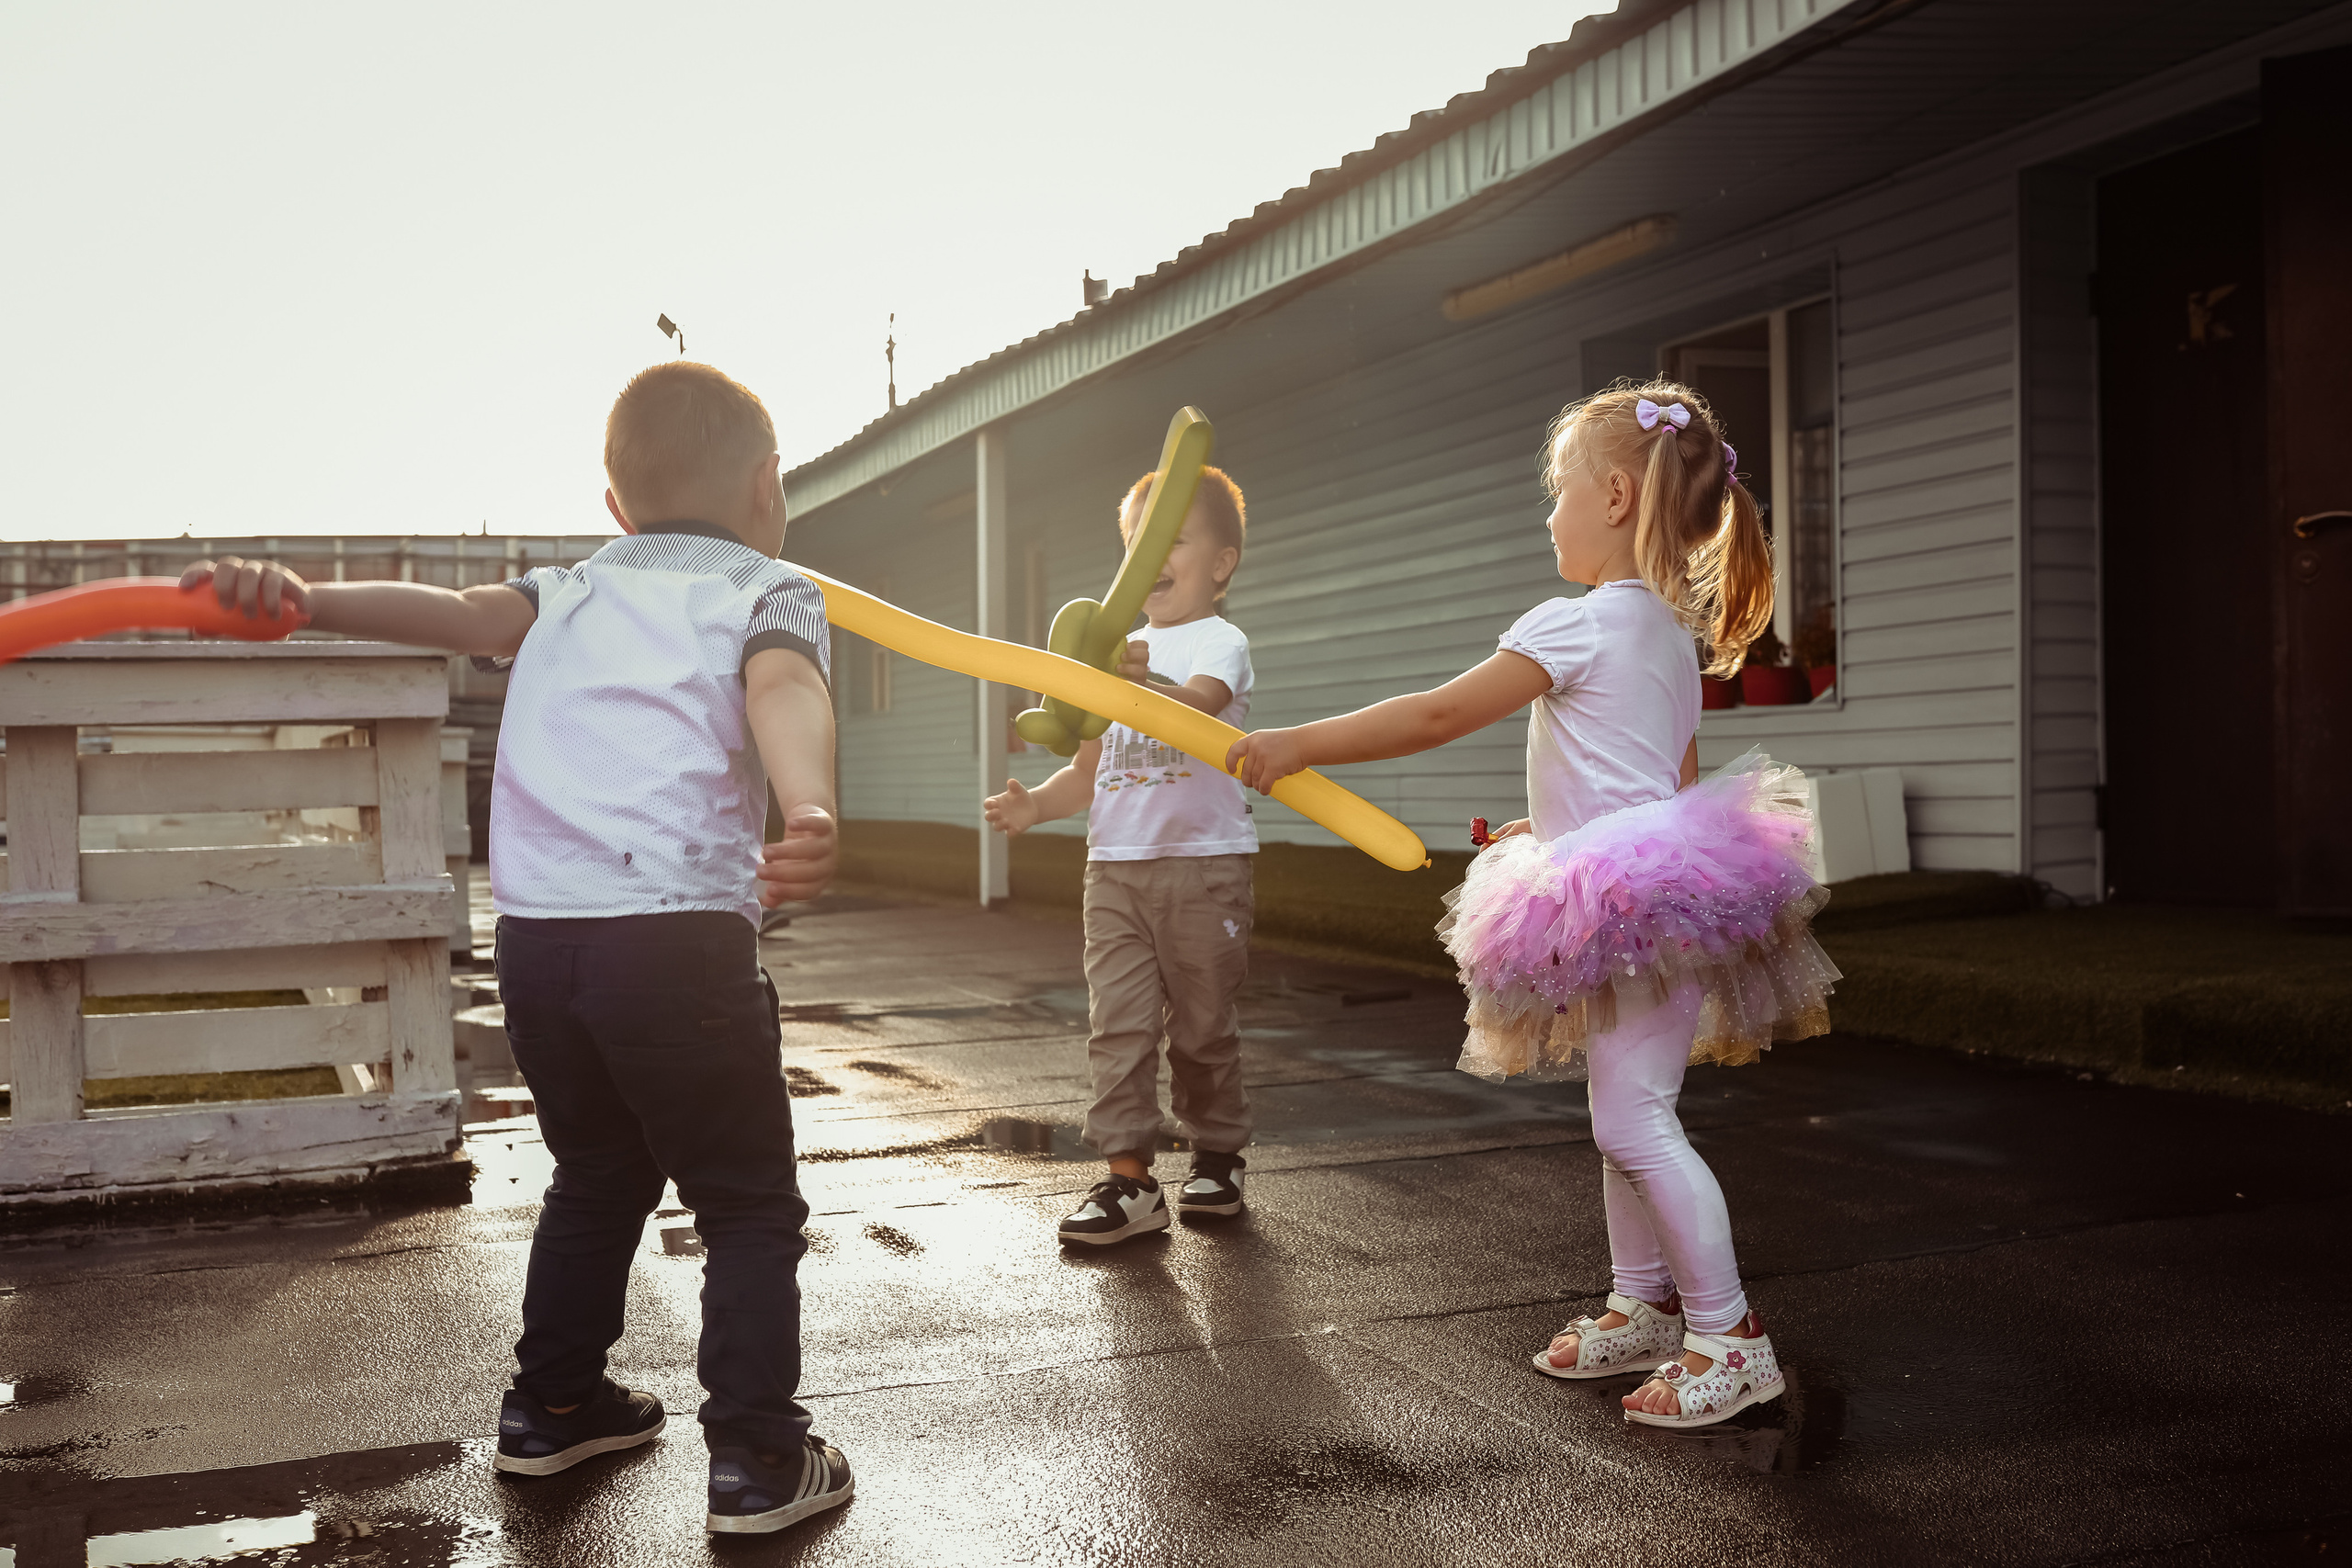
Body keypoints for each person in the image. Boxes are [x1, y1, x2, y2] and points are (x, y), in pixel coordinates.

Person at [180, 362, 855, 1532]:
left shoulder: (566, 590)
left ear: (616, 505)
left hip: (540, 945)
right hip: (676, 939)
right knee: (746, 1204)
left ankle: (554, 1408)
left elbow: (448, 616)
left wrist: (303, 596)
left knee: (596, 1174)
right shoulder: (770, 585)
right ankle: (757, 1457)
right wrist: (809, 806)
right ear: (767, 485)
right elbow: (784, 686)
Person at [1225, 382, 1838, 1430]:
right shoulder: (1665, 633)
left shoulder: (1579, 623)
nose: (1550, 513)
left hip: (1628, 905)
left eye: (1559, 491)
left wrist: (1296, 744)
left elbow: (1436, 715)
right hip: (1663, 896)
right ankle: (1642, 1305)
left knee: (1634, 1120)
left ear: (1614, 496)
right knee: (1624, 1115)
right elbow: (1664, 779)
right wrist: (1552, 828)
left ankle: (1730, 1338)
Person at [984, 468, 1259, 1246]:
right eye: (1138, 544)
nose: (1152, 558)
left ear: (1221, 563)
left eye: (1173, 539)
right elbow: (1086, 769)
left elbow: (1197, 708)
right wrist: (1036, 805)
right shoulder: (1108, 653)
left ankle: (1218, 1156)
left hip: (1204, 867)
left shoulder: (1219, 641)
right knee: (1119, 1026)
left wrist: (1134, 685)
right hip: (1114, 871)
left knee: (1202, 1027)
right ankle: (1129, 1178)